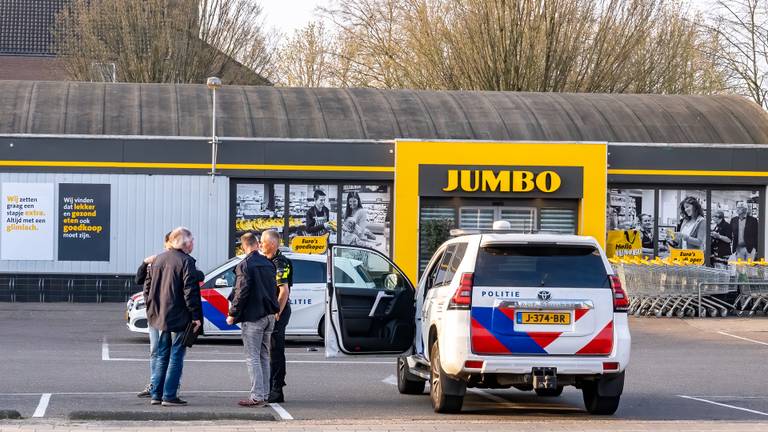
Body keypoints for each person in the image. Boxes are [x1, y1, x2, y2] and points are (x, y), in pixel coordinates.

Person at [145, 227, 202, 406]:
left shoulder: (158, 260)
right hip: (180, 316)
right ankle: (169, 395)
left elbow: (148, 288)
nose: (193, 244)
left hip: (161, 316)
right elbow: (189, 291)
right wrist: (195, 316)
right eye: (192, 240)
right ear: (185, 243)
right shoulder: (186, 262)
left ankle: (156, 394)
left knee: (162, 355)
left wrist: (152, 309)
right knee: (176, 355)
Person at [226, 232, 279, 407]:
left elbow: (242, 291)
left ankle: (256, 396)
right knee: (264, 355)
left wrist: (233, 313)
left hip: (254, 317)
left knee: (253, 357)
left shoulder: (245, 265)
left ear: (243, 246)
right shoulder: (269, 263)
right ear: (257, 244)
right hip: (269, 316)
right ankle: (264, 394)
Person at [136, 232, 172, 398]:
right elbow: (139, 279)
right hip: (154, 314)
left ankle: (170, 386)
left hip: (171, 314)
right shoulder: (156, 262)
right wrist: (145, 263)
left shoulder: (179, 261)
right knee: (155, 350)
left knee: (170, 352)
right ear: (166, 243)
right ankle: (154, 384)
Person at [260, 230, 293, 403]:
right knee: (268, 350)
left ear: (272, 244)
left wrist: (277, 312)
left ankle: (277, 389)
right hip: (269, 310)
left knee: (275, 350)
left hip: (278, 311)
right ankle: (268, 385)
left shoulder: (280, 262)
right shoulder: (268, 261)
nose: (260, 244)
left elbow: (284, 290)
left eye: (263, 242)